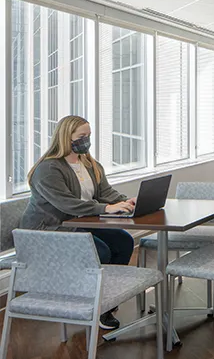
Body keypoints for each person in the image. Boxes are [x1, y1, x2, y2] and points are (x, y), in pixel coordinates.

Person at [21, 115, 136, 330]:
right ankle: (90, 301)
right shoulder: (49, 169)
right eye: (81, 136)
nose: (86, 141)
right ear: (66, 137)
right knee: (99, 252)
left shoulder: (89, 163)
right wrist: (106, 209)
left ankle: (105, 299)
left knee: (124, 242)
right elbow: (68, 204)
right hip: (47, 231)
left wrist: (124, 201)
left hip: (76, 225)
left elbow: (105, 192)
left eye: (89, 136)